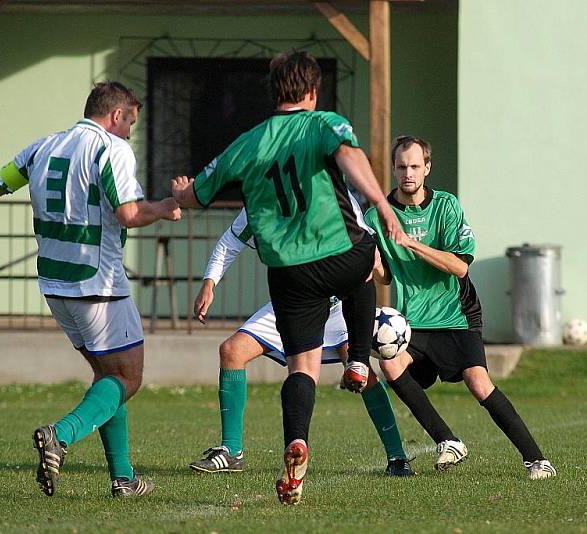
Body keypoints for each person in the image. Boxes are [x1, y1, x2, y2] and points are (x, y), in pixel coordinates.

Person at [171, 50, 405, 504]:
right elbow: (351, 156)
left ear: (273, 91)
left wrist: (181, 193)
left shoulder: (248, 142)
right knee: (366, 254)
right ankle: (359, 358)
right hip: (338, 257)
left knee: (302, 368)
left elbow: (199, 192)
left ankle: (295, 448)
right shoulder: (322, 124)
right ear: (313, 92)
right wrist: (379, 202)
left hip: (289, 275)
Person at [0, 81, 182, 498]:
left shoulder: (41, 148)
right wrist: (166, 206)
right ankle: (61, 434)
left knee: (108, 376)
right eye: (131, 124)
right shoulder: (111, 148)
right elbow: (127, 213)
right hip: (99, 283)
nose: (130, 133)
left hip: (56, 286)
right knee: (129, 377)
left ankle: (123, 480)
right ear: (117, 116)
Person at [365, 135, 557, 481]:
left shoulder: (447, 207)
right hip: (413, 320)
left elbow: (460, 267)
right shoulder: (377, 216)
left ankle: (537, 460)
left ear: (427, 168)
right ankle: (449, 440)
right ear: (393, 169)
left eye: (414, 166)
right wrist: (373, 261)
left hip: (456, 315)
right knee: (390, 365)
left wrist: (411, 242)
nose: (407, 173)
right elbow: (385, 278)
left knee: (479, 383)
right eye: (400, 166)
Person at [188, 208, 414, 478]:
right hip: (293, 302)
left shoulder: (328, 193)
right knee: (232, 351)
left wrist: (375, 267)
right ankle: (231, 451)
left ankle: (397, 456)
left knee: (360, 371)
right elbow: (230, 241)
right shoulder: (260, 201)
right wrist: (209, 283)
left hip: (337, 305)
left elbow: (368, 245)